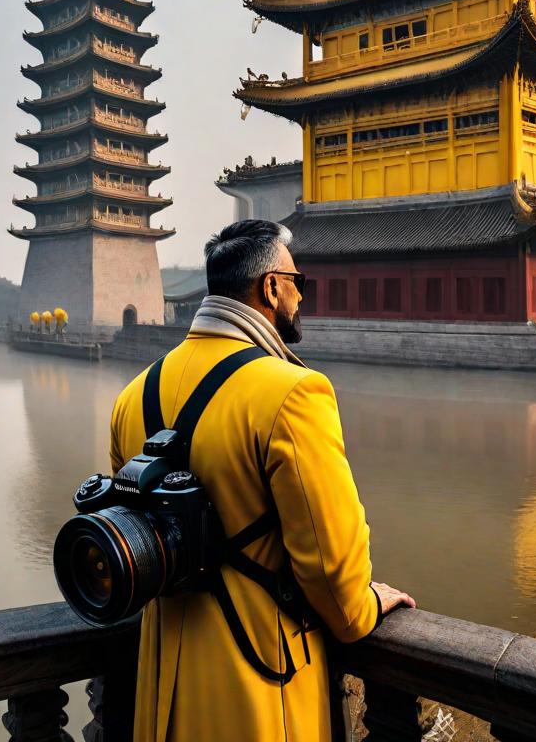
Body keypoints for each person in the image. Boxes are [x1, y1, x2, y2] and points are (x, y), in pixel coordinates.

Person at [110, 219, 414, 742]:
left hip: (162, 686)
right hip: (258, 681)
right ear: (270, 287)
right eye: (298, 282)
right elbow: (329, 559)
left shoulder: (133, 395)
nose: (301, 297)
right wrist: (366, 607)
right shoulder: (294, 392)